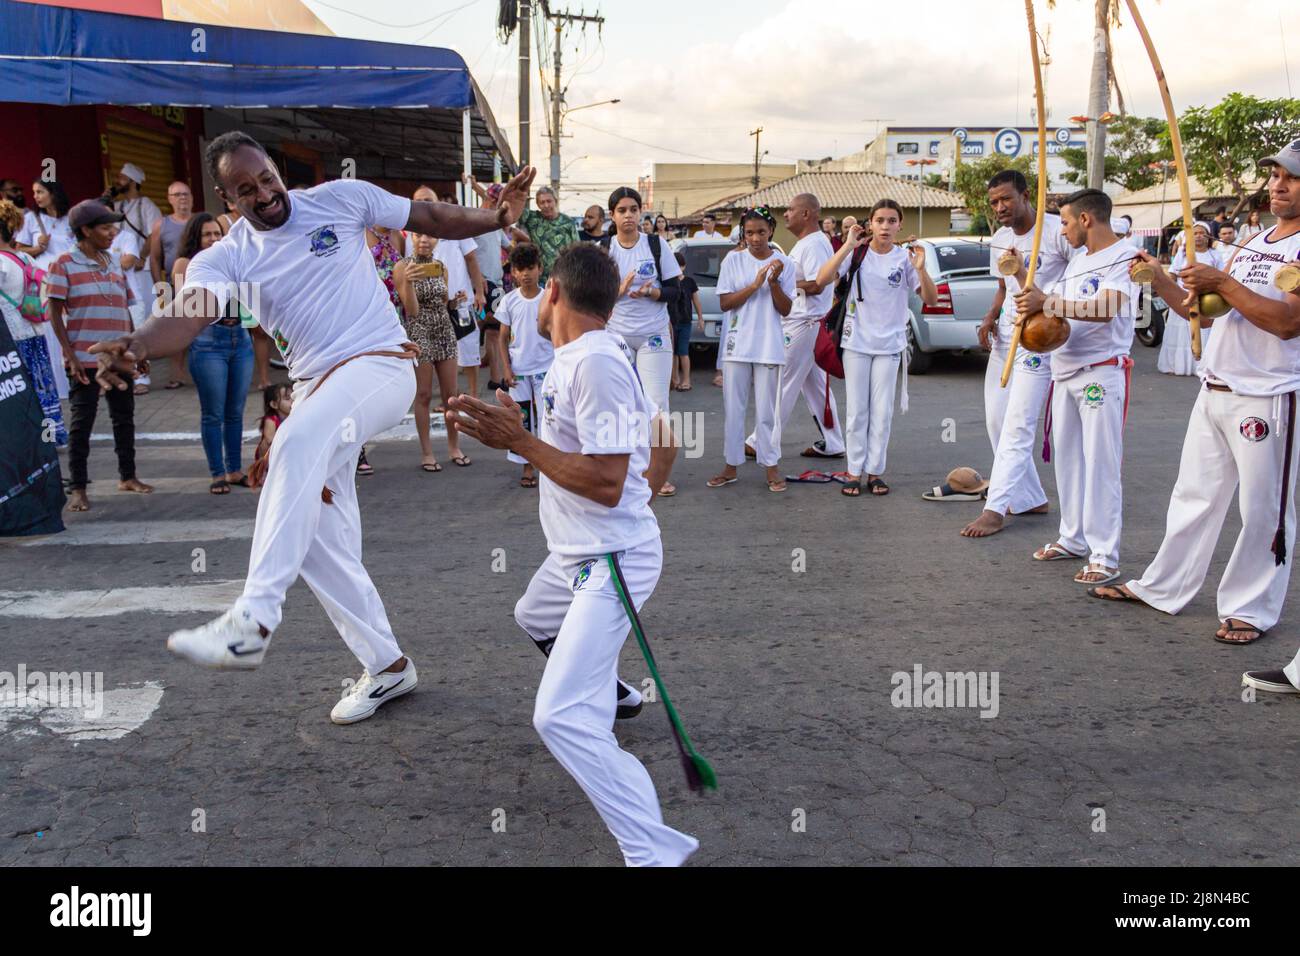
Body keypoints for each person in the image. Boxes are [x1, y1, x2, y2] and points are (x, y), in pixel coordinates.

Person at [91, 130, 535, 724]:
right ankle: (387, 666)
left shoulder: (339, 199)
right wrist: (138, 344)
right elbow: (188, 314)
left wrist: (495, 215)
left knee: (293, 445)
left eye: (267, 179)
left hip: (381, 363)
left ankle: (252, 619)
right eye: (245, 190)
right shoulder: (225, 257)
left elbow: (429, 214)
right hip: (317, 390)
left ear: (276, 171)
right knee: (315, 535)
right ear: (228, 199)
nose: (264, 194)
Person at [445, 242, 698, 867]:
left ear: (553, 292)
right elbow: (661, 437)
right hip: (576, 555)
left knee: (558, 718)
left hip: (609, 559)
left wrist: (524, 442)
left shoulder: (596, 365)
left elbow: (609, 484)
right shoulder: (578, 360)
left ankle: (654, 851)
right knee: (534, 617)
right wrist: (646, 491)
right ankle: (616, 693)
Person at [1088, 140, 1300, 674]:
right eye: (1275, 175)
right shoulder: (1252, 244)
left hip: (1269, 396)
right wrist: (1158, 275)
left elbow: (1288, 322)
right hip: (1217, 388)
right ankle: (1163, 587)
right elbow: (1200, 314)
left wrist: (1222, 280)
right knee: (1194, 496)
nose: (1278, 185)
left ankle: (1250, 608)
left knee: (1263, 511)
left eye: (1291, 179)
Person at [1016, 188, 1139, 585]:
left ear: (1086, 219)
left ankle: (1105, 554)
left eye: (1066, 222)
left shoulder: (1126, 257)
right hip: (1064, 370)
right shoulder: (1078, 261)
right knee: (1068, 460)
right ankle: (1073, 537)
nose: (1062, 230)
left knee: (1100, 463)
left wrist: (1048, 303)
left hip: (1100, 374)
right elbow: (1060, 314)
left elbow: (1106, 309)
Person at [961, 170, 1073, 538]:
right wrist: (990, 316)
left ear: (1026, 195)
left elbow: (1079, 278)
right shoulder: (999, 237)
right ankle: (1029, 498)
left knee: (1018, 424)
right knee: (996, 420)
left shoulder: (1057, 230)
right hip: (1006, 337)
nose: (1000, 207)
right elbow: (1003, 288)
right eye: (993, 202)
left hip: (1038, 338)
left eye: (1006, 199)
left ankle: (997, 506)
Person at [817, 201, 937, 497]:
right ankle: (853, 471)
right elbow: (822, 279)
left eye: (891, 221)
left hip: (890, 345)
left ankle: (875, 472)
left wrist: (921, 271)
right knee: (858, 411)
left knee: (882, 413)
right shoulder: (857, 253)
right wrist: (847, 245)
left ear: (900, 225)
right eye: (880, 220)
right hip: (856, 341)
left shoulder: (905, 258)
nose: (885, 226)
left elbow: (931, 299)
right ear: (870, 223)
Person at [46, 200, 154, 512]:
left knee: (124, 417)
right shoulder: (63, 264)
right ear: (85, 230)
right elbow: (54, 314)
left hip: (120, 356)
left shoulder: (114, 262)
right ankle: (78, 487)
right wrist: (72, 356)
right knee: (82, 423)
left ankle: (128, 476)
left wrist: (136, 347)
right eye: (105, 227)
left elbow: (124, 308)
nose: (113, 232)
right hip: (85, 360)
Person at [746, 193, 846, 462]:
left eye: (791, 210)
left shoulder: (813, 245)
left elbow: (817, 284)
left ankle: (761, 440)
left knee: (782, 383)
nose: (786, 214)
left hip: (803, 324)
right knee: (815, 388)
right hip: (805, 323)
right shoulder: (808, 243)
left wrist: (784, 284)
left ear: (806, 214)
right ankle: (834, 441)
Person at [600, 186, 682, 496]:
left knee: (656, 404)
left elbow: (678, 291)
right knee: (619, 405)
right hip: (616, 335)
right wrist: (619, 290)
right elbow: (593, 299)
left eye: (633, 209)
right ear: (613, 216)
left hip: (654, 335)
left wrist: (653, 292)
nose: (628, 215)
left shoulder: (656, 245)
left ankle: (658, 472)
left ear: (640, 213)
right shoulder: (604, 250)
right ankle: (624, 468)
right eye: (622, 210)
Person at [709, 206, 795, 493]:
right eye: (749, 233)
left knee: (768, 412)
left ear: (771, 230)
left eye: (761, 232)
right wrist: (754, 284)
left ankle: (771, 467)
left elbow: (785, 309)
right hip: (736, 347)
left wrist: (772, 284)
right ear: (742, 234)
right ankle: (731, 466)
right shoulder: (733, 261)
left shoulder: (785, 263)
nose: (755, 238)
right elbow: (725, 303)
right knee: (733, 410)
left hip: (769, 346)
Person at [174, 212, 252, 494]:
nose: (213, 239)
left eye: (217, 234)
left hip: (240, 337)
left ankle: (234, 471)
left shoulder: (232, 259)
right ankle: (217, 473)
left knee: (235, 411)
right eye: (207, 234)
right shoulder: (186, 263)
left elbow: (249, 300)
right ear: (195, 237)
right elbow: (185, 308)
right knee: (213, 413)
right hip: (208, 341)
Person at [393, 231, 468, 472]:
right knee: (424, 394)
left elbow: (443, 301)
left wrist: (456, 301)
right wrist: (410, 282)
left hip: (444, 328)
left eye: (431, 236)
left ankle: (454, 447)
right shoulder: (402, 267)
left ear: (437, 240)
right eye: (418, 235)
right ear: (411, 239)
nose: (425, 240)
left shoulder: (440, 266)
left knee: (451, 395)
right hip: (419, 331)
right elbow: (411, 311)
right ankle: (427, 452)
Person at [0, 198, 66, 445]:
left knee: (19, 391)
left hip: (13, 339)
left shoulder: (0, 263)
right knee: (41, 386)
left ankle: (29, 440)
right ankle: (49, 437)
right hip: (35, 333)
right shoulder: (25, 259)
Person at [423, 189, 486, 419]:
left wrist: (479, 292)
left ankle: (473, 396)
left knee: (468, 347)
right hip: (433, 304)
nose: (424, 205)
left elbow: (471, 259)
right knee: (441, 353)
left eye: (428, 201)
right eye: (419, 201)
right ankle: (449, 399)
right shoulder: (416, 234)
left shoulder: (455, 228)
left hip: (461, 301)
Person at [494, 243, 553, 488]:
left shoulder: (549, 299)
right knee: (523, 420)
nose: (526, 274)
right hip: (519, 372)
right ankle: (527, 467)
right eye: (520, 269)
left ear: (540, 269)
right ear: (514, 273)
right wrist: (506, 369)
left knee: (550, 419)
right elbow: (502, 337)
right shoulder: (509, 301)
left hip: (546, 369)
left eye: (531, 268)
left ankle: (550, 466)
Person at [14, 179, 75, 401]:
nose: (36, 196)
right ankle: (59, 387)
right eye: (34, 192)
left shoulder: (71, 218)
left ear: (53, 193)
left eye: (41, 191)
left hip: (70, 278)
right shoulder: (31, 219)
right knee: (51, 330)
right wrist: (38, 247)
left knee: (74, 328)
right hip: (44, 282)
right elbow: (19, 250)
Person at [461, 176, 513, 389]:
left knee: (493, 330)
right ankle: (471, 376)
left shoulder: (496, 224)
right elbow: (467, 254)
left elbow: (508, 247)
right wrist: (478, 279)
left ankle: (495, 378)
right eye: (498, 201)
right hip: (480, 285)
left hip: (496, 284)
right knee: (478, 327)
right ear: (493, 201)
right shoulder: (474, 222)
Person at [1159, 221, 1218, 376]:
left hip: (1206, 301)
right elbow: (1172, 274)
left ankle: (1201, 364)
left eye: (1201, 233)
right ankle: (1176, 365)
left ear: (1208, 236)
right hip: (1183, 299)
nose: (1198, 236)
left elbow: (1222, 276)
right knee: (1180, 335)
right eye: (1195, 233)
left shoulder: (1214, 254)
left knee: (1202, 332)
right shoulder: (1183, 253)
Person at [152, 181, 195, 390]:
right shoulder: (162, 224)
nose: (182, 198)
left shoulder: (199, 222)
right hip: (172, 282)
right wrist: (159, 287)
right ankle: (176, 374)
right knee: (175, 329)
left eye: (186, 194)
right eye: (177, 195)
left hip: (198, 282)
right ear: (169, 199)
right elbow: (155, 258)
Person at [512, 185, 579, 282]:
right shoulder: (532, 218)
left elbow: (576, 249)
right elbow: (514, 211)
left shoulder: (568, 222)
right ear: (538, 205)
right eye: (542, 202)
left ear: (555, 201)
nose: (546, 205)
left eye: (549, 201)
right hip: (539, 278)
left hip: (563, 277)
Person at [108, 163, 163, 258]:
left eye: (122, 178)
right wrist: (106, 199)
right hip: (119, 265)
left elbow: (154, 235)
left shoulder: (147, 205)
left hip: (140, 267)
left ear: (133, 182)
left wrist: (142, 257)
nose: (118, 181)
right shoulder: (116, 206)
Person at [668, 251, 703, 391]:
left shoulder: (689, 282)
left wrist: (700, 317)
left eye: (680, 266)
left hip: (685, 321)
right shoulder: (669, 282)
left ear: (684, 266)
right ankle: (674, 379)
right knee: (673, 353)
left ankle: (686, 380)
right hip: (671, 322)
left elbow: (696, 300)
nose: (678, 269)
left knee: (683, 352)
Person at [254, 383, 293, 465]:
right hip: (270, 456)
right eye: (287, 398)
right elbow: (269, 440)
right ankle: (265, 471)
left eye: (293, 397)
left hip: (284, 452)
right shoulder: (271, 420)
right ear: (274, 404)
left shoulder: (294, 415)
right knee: (266, 443)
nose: (292, 401)